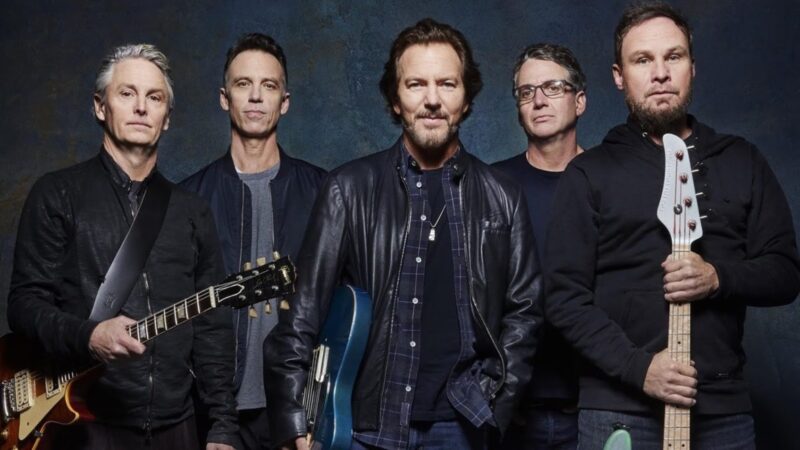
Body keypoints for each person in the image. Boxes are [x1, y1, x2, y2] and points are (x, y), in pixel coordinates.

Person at [264, 18, 541, 450]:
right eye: (415, 85)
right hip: (364, 427)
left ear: (466, 98)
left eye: (447, 84)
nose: (432, 100)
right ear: (396, 100)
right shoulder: (347, 189)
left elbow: (525, 314)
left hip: (463, 426)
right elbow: (303, 313)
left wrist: (496, 407)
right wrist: (292, 420)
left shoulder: (503, 196)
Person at [543, 2, 800, 449]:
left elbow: (785, 272)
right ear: (619, 76)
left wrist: (718, 277)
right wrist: (640, 369)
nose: (660, 73)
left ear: (692, 67)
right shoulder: (589, 173)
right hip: (618, 408)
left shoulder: (741, 159)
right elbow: (563, 298)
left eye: (673, 57)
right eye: (643, 60)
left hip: (722, 413)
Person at [6, 44, 238, 450]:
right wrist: (89, 335)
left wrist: (222, 424)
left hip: (177, 427)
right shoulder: (57, 194)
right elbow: (24, 305)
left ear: (167, 118)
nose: (141, 107)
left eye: (155, 97)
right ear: (100, 107)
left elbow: (212, 326)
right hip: (85, 422)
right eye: (127, 93)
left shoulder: (192, 211)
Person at [181, 32, 326, 450]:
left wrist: (317, 405)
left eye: (269, 85)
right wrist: (214, 419)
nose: (256, 97)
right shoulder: (189, 200)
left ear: (285, 101)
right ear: (224, 98)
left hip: (298, 412)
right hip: (215, 414)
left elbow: (341, 303)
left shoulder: (323, 192)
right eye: (243, 84)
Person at [493, 43, 587, 450]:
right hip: (511, 409)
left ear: (579, 101)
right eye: (527, 91)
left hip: (593, 407)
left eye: (553, 87)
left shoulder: (611, 182)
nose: (539, 100)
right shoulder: (492, 187)